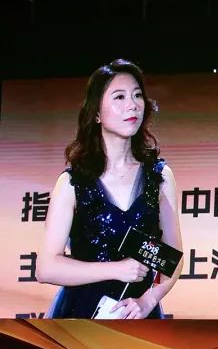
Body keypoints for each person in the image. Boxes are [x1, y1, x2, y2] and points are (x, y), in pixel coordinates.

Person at [38, 59, 183, 318]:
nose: (132, 105)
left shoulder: (159, 177)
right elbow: (46, 268)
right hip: (81, 316)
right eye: (119, 97)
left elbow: (173, 259)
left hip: (137, 316)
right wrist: (116, 269)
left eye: (137, 95)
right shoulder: (73, 182)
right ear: (96, 113)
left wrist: (148, 301)